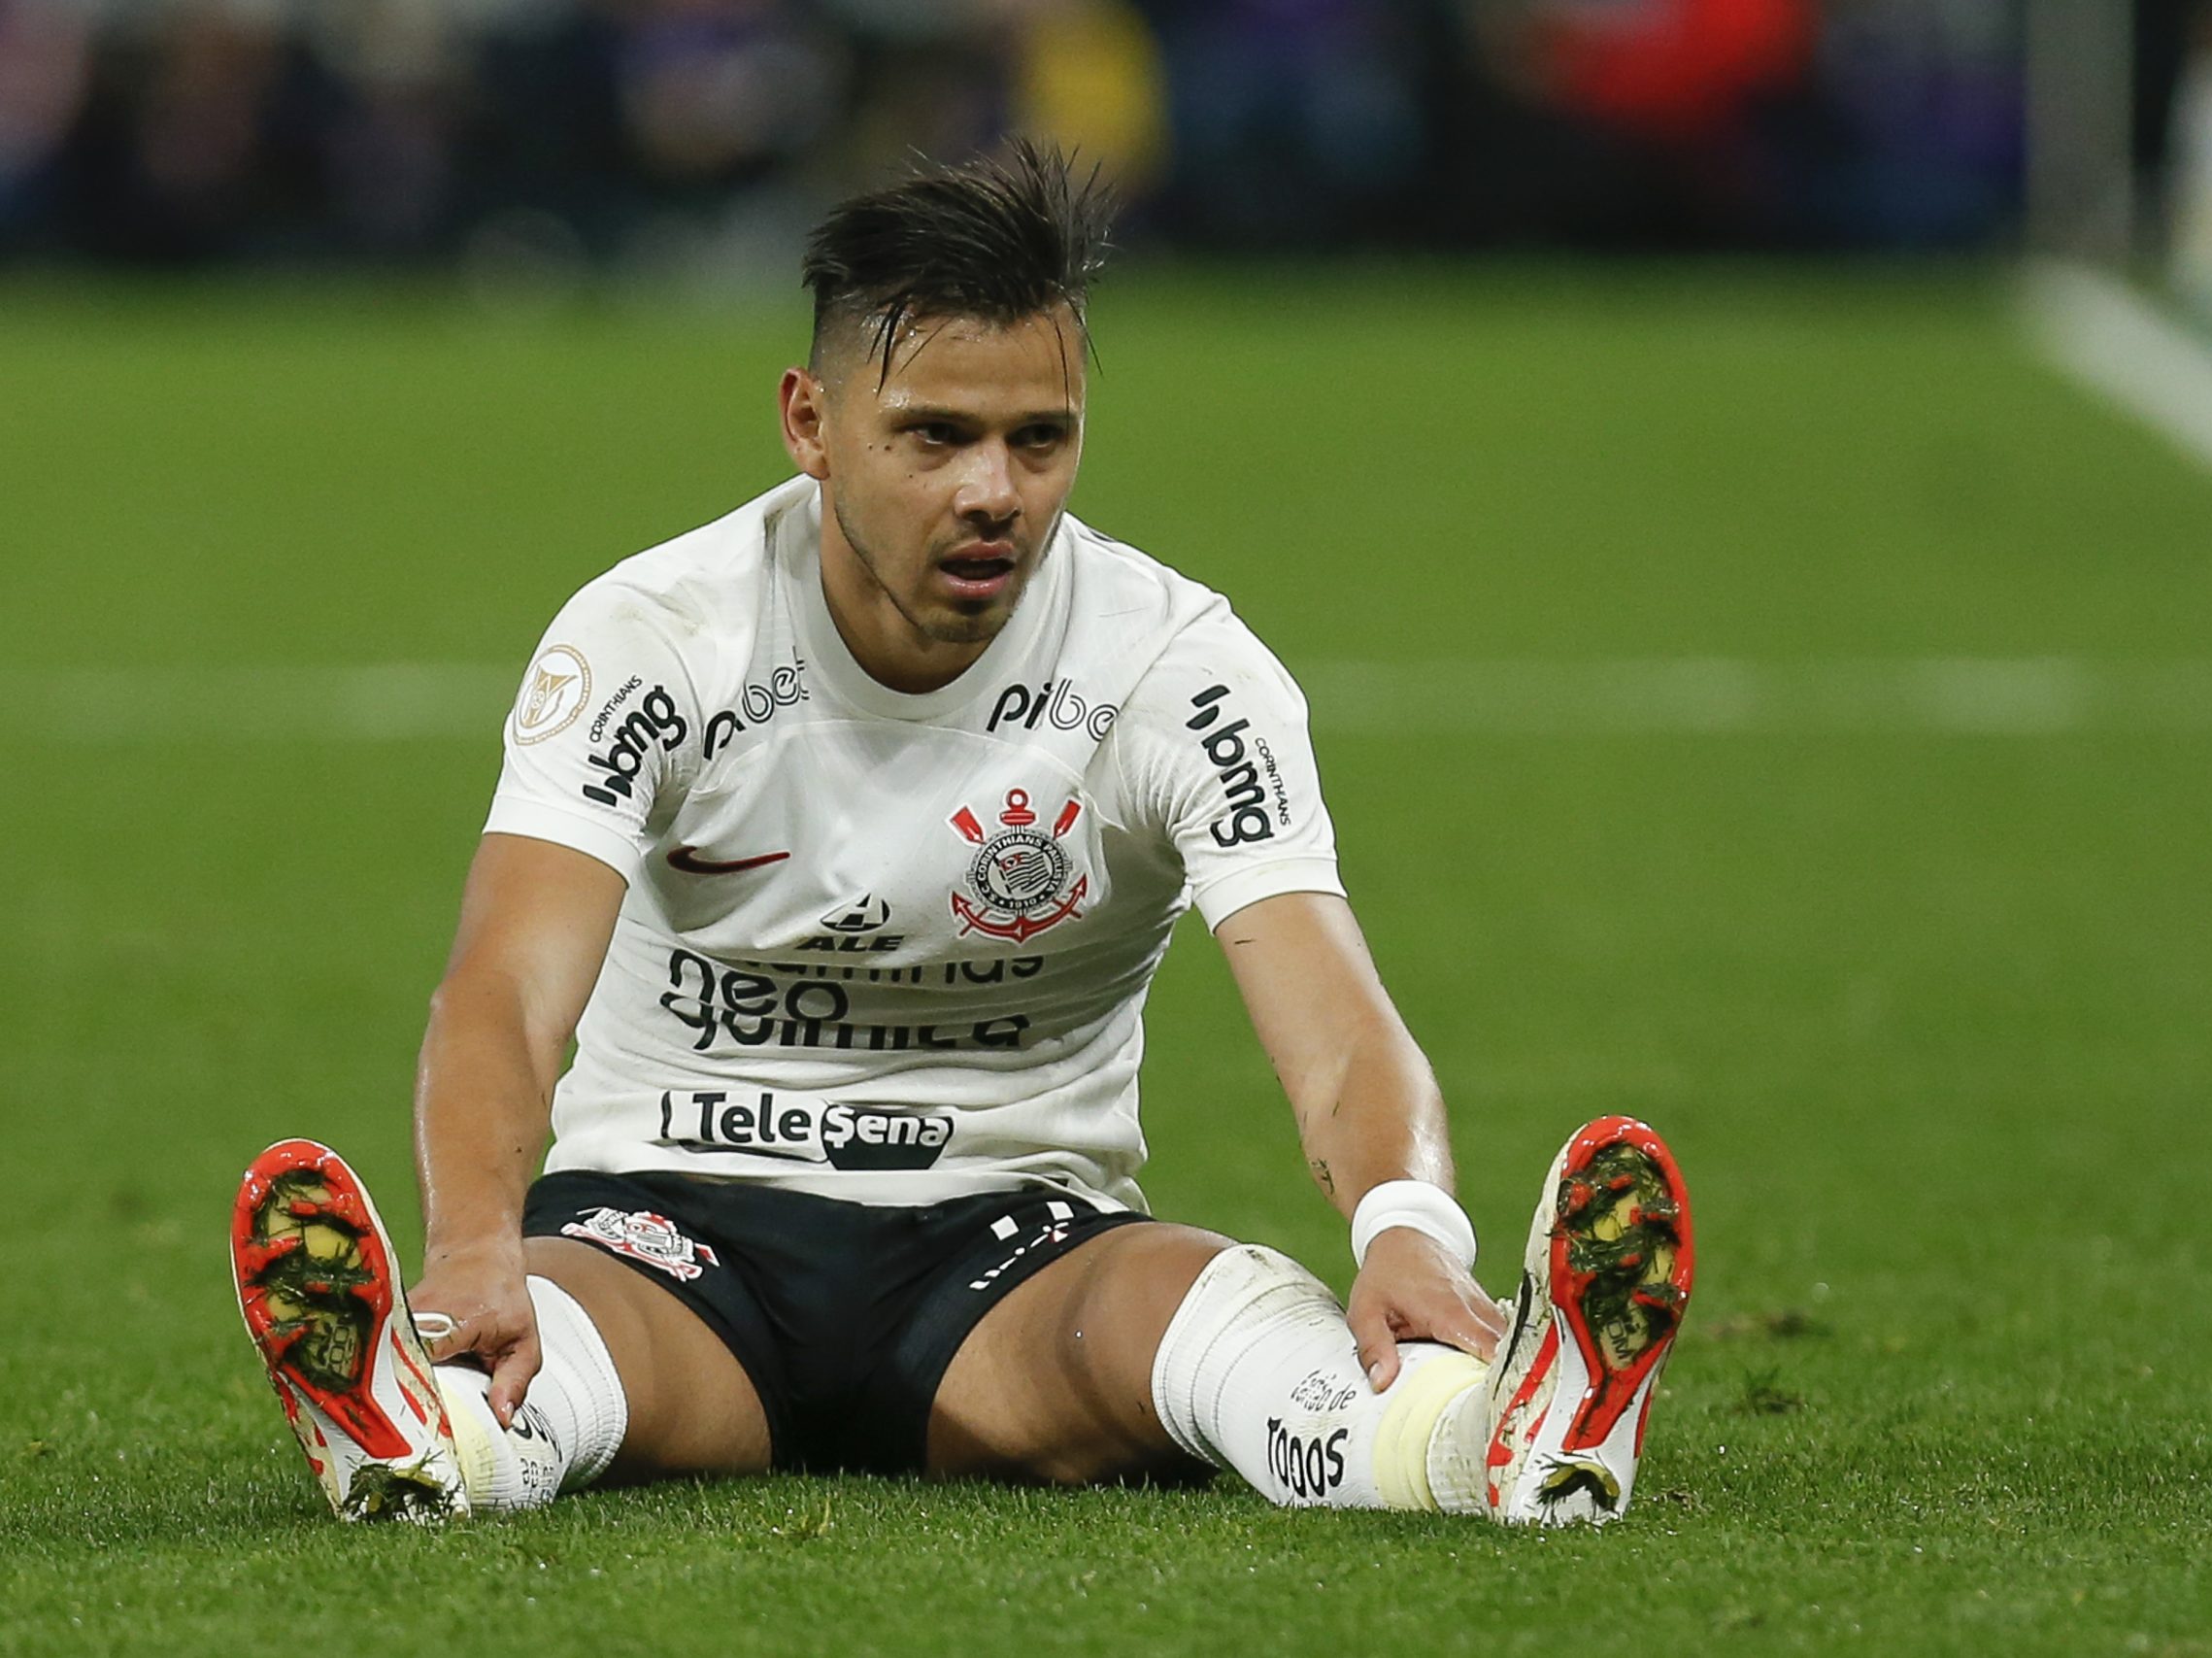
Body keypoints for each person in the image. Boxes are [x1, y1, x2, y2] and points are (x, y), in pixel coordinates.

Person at [226, 139, 1694, 1529]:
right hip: (669, 1236)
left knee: (1246, 1323)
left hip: (1017, 1255)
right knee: (531, 1351)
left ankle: (1498, 1441)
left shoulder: (1178, 672)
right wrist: (476, 1239)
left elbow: (1333, 1018)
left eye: (1038, 440)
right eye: (934, 437)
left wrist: (1404, 1228)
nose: (994, 492)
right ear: (811, 422)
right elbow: (505, 986)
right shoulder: (656, 639)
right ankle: (425, 1434)